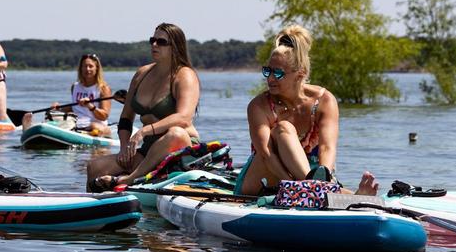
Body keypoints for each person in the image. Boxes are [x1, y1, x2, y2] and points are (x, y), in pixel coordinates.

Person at [236, 25, 377, 196]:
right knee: (283, 128)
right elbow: (267, 154)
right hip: (264, 178)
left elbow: (327, 148)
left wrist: (323, 178)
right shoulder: (258, 106)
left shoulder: (325, 101)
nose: (270, 78)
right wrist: (297, 188)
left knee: (320, 173)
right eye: (268, 71)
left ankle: (324, 190)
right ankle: (333, 194)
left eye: (278, 73)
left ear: (300, 74)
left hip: (313, 181)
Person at [86, 23, 201, 191]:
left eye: (161, 42)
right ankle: (93, 208)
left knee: (175, 132)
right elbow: (126, 118)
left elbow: (184, 118)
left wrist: (144, 131)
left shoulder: (185, 75)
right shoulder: (141, 74)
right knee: (94, 167)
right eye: (152, 40)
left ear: (175, 47)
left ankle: (130, 179)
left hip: (180, 146)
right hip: (147, 150)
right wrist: (125, 147)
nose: (154, 45)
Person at [23, 52, 113, 133]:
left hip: (96, 125)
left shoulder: (104, 88)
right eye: (84, 66)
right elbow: (75, 107)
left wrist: (90, 106)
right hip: (76, 123)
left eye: (90, 66)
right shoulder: (75, 86)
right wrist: (58, 109)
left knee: (93, 126)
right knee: (53, 120)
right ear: (80, 68)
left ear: (96, 68)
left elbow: (104, 116)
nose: (87, 69)